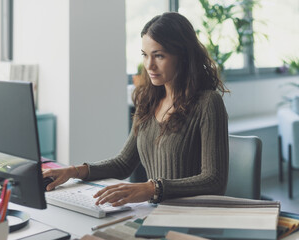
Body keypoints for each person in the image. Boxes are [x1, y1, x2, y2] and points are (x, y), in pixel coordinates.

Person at [43, 12, 229, 207]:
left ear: (182, 56)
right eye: (145, 55)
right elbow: (124, 163)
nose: (149, 65)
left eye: (159, 56)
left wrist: (152, 188)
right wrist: (72, 172)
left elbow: (214, 181)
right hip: (153, 212)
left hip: (192, 217)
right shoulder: (148, 100)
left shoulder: (208, 103)